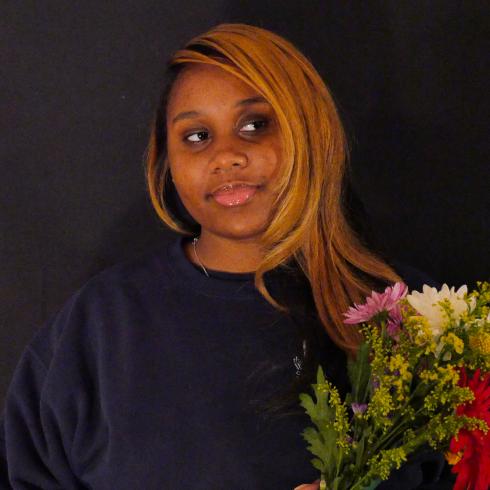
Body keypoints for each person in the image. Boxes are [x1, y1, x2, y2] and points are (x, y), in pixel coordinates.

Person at [0, 23, 453, 489]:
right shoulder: (101, 325)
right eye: (196, 136)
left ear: (310, 132)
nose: (227, 156)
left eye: (255, 125)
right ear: (167, 161)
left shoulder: (411, 321)